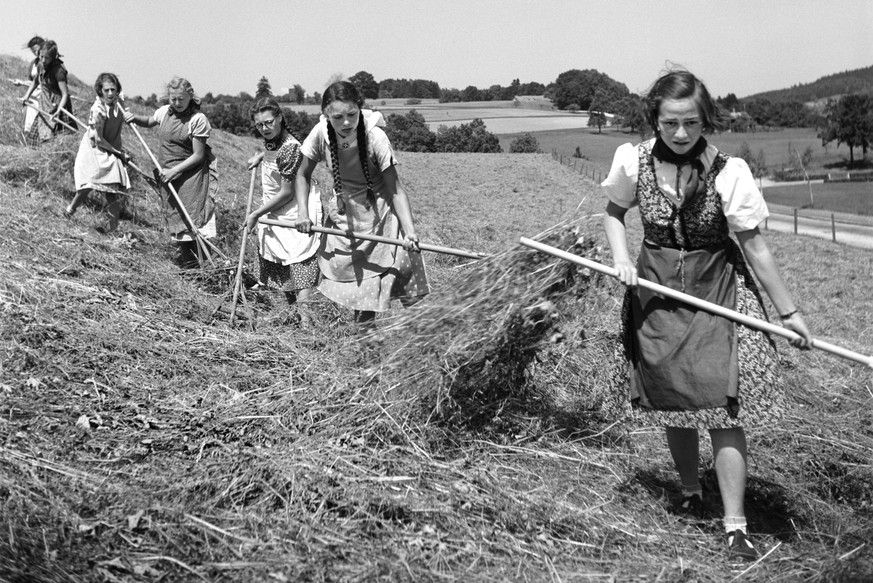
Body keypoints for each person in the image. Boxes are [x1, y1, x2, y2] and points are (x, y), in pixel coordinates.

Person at [600, 69, 812, 563]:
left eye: (691, 124)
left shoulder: (730, 171)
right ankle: (692, 491)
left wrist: (790, 313)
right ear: (654, 118)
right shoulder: (632, 160)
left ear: (705, 120)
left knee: (722, 403)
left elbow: (755, 247)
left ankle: (735, 524)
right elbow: (613, 213)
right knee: (674, 394)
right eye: (670, 123)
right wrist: (622, 258)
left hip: (716, 289)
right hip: (654, 293)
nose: (680, 134)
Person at [293, 81, 429, 326]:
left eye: (352, 114)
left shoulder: (375, 136)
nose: (346, 122)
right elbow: (301, 175)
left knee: (412, 296)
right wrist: (303, 213)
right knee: (364, 303)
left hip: (384, 220)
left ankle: (428, 343)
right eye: (338, 117)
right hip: (348, 224)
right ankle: (367, 351)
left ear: (360, 108)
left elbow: (395, 190)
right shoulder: (320, 134)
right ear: (325, 114)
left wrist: (410, 232)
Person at [124, 77, 218, 266]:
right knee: (178, 221)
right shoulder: (164, 112)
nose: (176, 103)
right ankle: (190, 266)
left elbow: (198, 155)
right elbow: (150, 120)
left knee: (192, 219)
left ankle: (207, 265)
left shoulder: (197, 120)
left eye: (180, 99)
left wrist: (174, 171)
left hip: (191, 176)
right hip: (169, 175)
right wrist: (134, 118)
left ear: (190, 96)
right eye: (173, 99)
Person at [244, 97, 322, 312]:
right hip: (276, 208)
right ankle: (292, 317)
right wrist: (261, 155)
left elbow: (287, 193)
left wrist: (256, 214)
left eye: (269, 122)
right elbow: (274, 156)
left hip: (295, 208)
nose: (265, 128)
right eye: (259, 124)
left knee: (300, 266)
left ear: (279, 118)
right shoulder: (272, 141)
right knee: (283, 265)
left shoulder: (290, 148)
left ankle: (307, 324)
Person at [66, 73, 131, 233]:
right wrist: (120, 154)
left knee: (111, 192)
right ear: (100, 91)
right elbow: (99, 140)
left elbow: (123, 115)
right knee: (89, 184)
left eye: (113, 90)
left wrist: (129, 116)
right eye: (106, 90)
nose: (110, 93)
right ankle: (70, 210)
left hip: (111, 148)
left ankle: (113, 229)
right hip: (95, 149)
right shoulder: (98, 109)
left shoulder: (119, 103)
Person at [19, 39, 74, 143]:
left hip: (58, 106)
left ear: (53, 57)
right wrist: (26, 96)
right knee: (35, 137)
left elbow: (65, 94)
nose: (43, 60)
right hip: (44, 104)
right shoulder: (40, 65)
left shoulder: (58, 71)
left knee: (59, 139)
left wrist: (59, 111)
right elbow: (35, 82)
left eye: (47, 58)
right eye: (41, 56)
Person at [9, 36, 44, 146]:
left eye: (37, 49)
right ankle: (29, 148)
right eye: (33, 51)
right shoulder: (34, 63)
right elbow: (33, 82)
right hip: (32, 98)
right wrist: (21, 83)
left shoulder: (46, 63)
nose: (35, 52)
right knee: (29, 127)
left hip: (42, 99)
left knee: (40, 128)